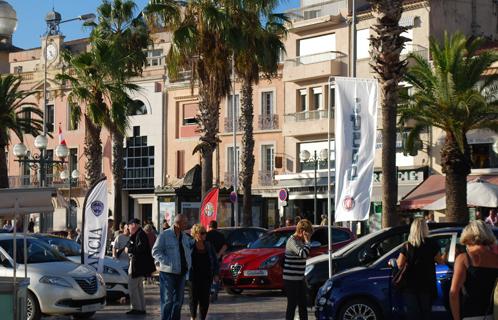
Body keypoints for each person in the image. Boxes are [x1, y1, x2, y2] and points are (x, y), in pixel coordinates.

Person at [396, 218, 444, 320]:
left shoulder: (407, 246)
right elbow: (440, 261)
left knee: (413, 313)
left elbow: (400, 264)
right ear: (425, 229)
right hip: (427, 284)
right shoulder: (432, 244)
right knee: (426, 312)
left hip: (410, 285)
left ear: (412, 229)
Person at [449, 220, 498, 320]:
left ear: (468, 238)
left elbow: (454, 293)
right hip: (493, 314)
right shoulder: (496, 258)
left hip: (470, 315)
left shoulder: (464, 259)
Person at [152, 214, 193, 320]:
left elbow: (189, 249)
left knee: (178, 302)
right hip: (168, 273)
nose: (186, 225)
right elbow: (155, 251)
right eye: (184, 223)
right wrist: (168, 262)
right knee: (167, 301)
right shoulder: (164, 235)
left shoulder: (184, 236)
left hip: (182, 273)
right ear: (178, 223)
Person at [283, 219, 313, 320]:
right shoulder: (292, 241)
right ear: (302, 231)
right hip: (291, 279)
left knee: (303, 305)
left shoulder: (300, 241)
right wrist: (308, 242)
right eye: (308, 233)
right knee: (292, 305)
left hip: (299, 278)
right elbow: (303, 254)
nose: (309, 236)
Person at [126, 218, 156, 315]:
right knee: (138, 287)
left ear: (134, 225)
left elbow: (140, 248)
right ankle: (141, 308)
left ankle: (137, 308)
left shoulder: (140, 234)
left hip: (137, 265)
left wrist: (129, 250)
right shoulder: (139, 234)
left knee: (132, 287)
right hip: (139, 265)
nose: (128, 228)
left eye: (129, 226)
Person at [189, 224, 219, 320]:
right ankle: (193, 317)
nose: (204, 235)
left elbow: (214, 260)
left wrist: (216, 274)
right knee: (193, 299)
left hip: (206, 276)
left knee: (205, 300)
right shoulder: (190, 245)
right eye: (202, 233)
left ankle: (202, 318)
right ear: (196, 234)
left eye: (205, 233)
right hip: (193, 277)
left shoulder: (208, 245)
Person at [206, 220, 227, 301]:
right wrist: (218, 255)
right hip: (218, 259)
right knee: (216, 276)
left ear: (209, 226)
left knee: (209, 276)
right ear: (216, 226)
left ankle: (210, 292)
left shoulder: (206, 235)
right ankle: (215, 292)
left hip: (208, 258)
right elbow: (225, 246)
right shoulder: (221, 235)